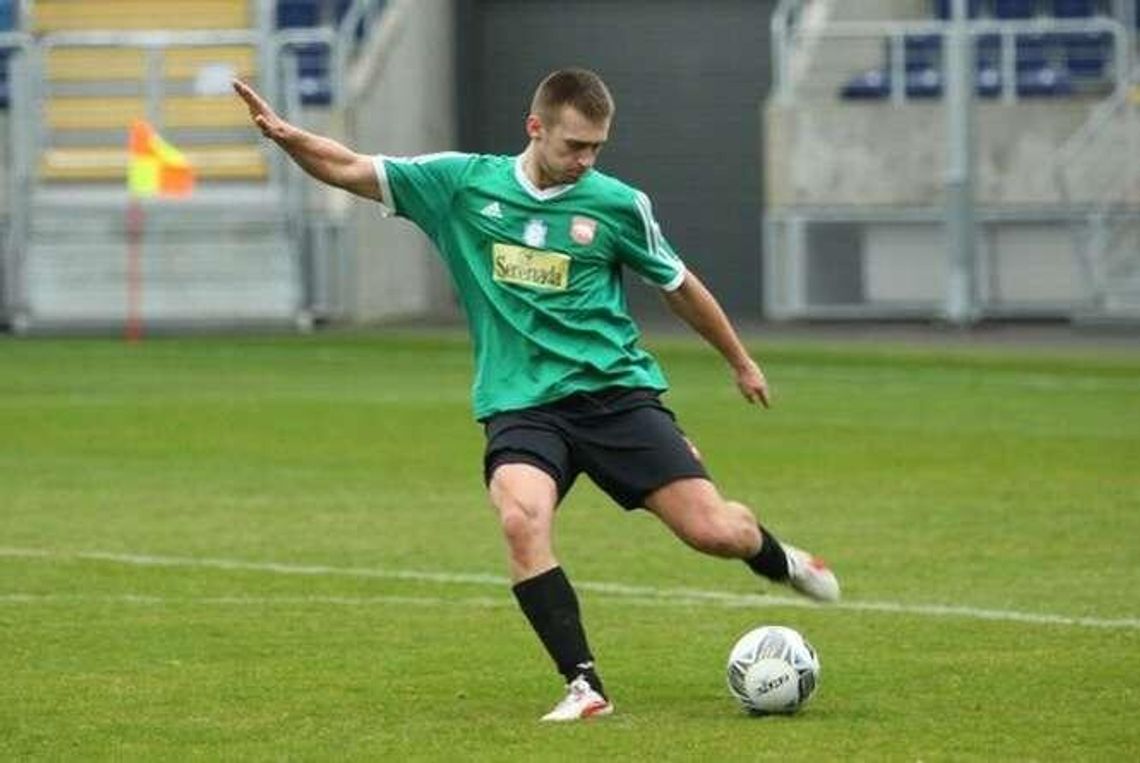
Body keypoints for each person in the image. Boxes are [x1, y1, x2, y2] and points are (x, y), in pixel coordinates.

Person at [234, 68, 839, 722]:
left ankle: (785, 559)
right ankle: (584, 686)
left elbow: (679, 284)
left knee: (715, 532)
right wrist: (287, 136)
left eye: (596, 148)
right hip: (521, 405)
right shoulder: (462, 184)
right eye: (574, 145)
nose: (586, 160)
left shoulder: (616, 203)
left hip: (616, 397)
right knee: (521, 517)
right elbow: (351, 167)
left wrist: (740, 360)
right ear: (535, 127)